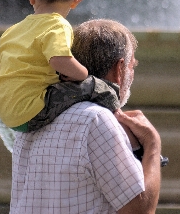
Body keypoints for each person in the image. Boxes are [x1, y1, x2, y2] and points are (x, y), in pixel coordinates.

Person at [9, 19, 161, 214]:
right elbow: (139, 210)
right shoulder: (96, 120)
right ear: (119, 70)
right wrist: (152, 145)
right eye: (132, 66)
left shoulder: (32, 117)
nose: (133, 72)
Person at [0, 0, 89, 132]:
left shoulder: (13, 30)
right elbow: (59, 60)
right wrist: (84, 74)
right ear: (77, 0)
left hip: (7, 114)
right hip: (33, 112)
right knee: (99, 88)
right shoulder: (57, 25)